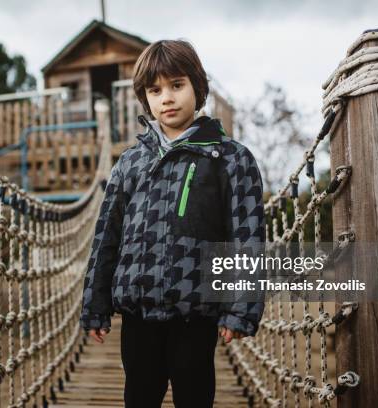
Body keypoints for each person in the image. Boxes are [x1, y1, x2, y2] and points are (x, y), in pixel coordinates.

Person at [79, 39, 265, 408]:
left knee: (194, 398)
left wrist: (240, 306)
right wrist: (95, 301)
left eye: (177, 85)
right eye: (155, 90)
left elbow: (247, 237)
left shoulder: (230, 159)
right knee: (139, 397)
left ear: (198, 87)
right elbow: (106, 237)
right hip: (138, 314)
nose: (167, 98)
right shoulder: (130, 163)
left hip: (194, 314)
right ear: (144, 98)